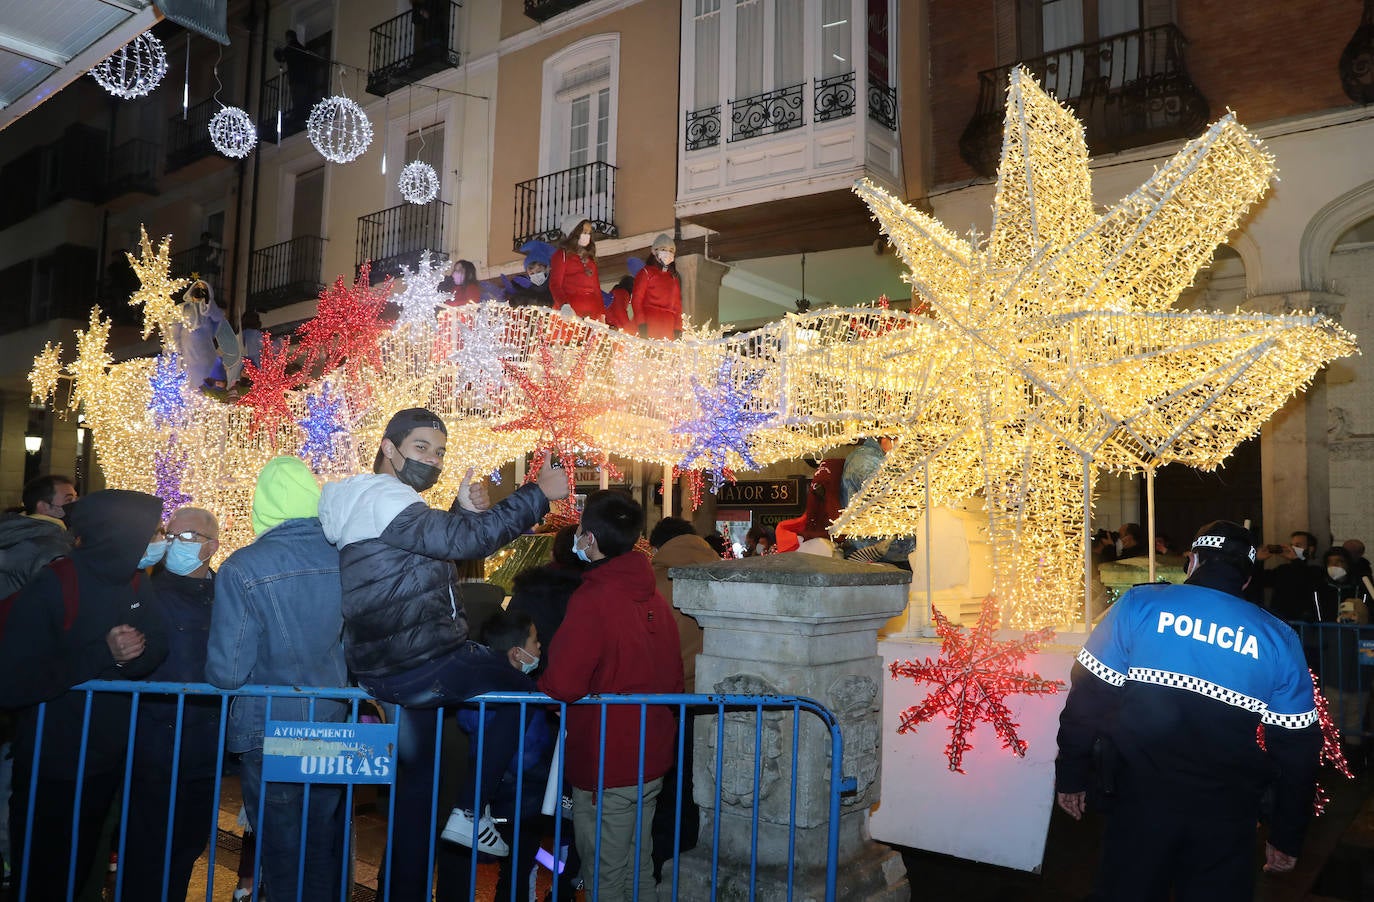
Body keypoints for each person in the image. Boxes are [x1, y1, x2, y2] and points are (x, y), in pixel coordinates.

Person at [316, 408, 568, 890]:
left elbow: (424, 555)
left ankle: (403, 887)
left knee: (418, 798)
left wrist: (460, 513)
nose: (431, 460)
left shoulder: (372, 504)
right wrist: (539, 494)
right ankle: (473, 812)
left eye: (439, 452)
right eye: (420, 448)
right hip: (422, 660)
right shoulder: (384, 497)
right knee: (521, 691)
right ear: (389, 448)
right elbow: (469, 541)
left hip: (388, 666)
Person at [1055, 519, 1322, 900]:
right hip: (1227, 819)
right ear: (1247, 579)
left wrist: (1071, 775)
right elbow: (1298, 752)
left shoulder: (1139, 604)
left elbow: (1086, 700)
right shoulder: (1278, 638)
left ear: (1192, 561)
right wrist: (1286, 835)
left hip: (1138, 805)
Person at [1, 490, 169, 902]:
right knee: (43, 872)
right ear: (119, 534)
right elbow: (13, 681)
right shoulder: (56, 583)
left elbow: (157, 646)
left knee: (81, 868)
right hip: (51, 761)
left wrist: (128, 659)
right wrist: (103, 655)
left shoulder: (134, 581)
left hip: (105, 759)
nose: (156, 541)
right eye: (149, 532)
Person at [206, 457, 350, 902]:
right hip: (329, 723)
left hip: (271, 728)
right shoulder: (347, 558)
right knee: (320, 843)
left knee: (282, 849)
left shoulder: (243, 567)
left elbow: (228, 673)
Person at [539, 491, 684, 902]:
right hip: (651, 753)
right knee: (639, 866)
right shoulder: (654, 595)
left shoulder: (594, 598)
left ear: (591, 538)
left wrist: (542, 687)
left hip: (606, 759)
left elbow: (564, 684)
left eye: (582, 529)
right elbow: (673, 678)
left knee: (604, 872)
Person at [121, 507, 222, 901]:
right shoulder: (146, 593)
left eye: (187, 537)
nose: (174, 544)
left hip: (205, 742)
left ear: (211, 546)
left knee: (188, 843)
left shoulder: (225, 591)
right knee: (148, 844)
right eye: (170, 534)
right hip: (156, 739)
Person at [440, 610, 555, 902]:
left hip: (489, 799)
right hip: (522, 798)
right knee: (517, 872)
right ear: (517, 653)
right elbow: (526, 756)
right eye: (535, 640)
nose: (540, 646)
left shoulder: (475, 691)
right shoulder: (525, 696)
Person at [646, 516, 716, 880]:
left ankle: (660, 868)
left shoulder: (652, 582)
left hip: (663, 702)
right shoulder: (722, 576)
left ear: (658, 545)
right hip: (710, 702)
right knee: (698, 790)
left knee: (660, 790)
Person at [839, 437, 914, 566]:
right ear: (886, 439)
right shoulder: (864, 460)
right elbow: (890, 496)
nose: (905, 449)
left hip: (887, 536)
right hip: (874, 543)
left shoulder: (880, 458)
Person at [0, 474, 77, 597]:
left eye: (75, 499)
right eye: (68, 500)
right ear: (43, 507)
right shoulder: (53, 546)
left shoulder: (11, 530)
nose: (76, 505)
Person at [1255, 530, 1322, 621]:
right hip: (1281, 622)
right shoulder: (1282, 570)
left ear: (1310, 549)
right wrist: (1257, 560)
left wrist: (1295, 560)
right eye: (1291, 545)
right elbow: (1258, 580)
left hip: (1304, 624)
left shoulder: (1317, 571)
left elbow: (1304, 580)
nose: (1293, 548)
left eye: (1297, 545)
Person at [550, 216, 603, 321]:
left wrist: (602, 314)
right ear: (574, 233)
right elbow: (555, 284)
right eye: (584, 232)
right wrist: (564, 305)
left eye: (589, 233)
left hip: (592, 316)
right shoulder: (562, 255)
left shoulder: (590, 259)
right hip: (570, 314)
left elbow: (597, 290)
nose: (587, 236)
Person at [632, 234, 683, 339]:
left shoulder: (673, 279)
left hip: (668, 331)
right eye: (664, 249)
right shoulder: (646, 273)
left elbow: (677, 307)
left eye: (671, 251)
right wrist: (641, 324)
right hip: (649, 326)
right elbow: (637, 300)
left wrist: (678, 328)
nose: (668, 253)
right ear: (654, 251)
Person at [274, 30, 316, 128]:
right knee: (302, 96)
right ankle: (303, 114)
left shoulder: (290, 49)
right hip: (304, 78)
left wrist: (276, 50)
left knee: (297, 97)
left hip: (295, 79)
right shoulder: (301, 48)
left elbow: (281, 58)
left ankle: (299, 115)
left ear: (288, 37)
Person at [503, 240, 555, 307]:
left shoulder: (555, 285)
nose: (536, 275)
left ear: (548, 269)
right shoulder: (532, 288)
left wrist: (526, 300)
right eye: (532, 274)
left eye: (539, 272)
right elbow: (529, 295)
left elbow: (550, 302)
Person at [605, 258, 644, 333]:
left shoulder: (615, 292)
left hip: (608, 323)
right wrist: (628, 328)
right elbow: (620, 311)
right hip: (614, 325)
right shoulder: (623, 293)